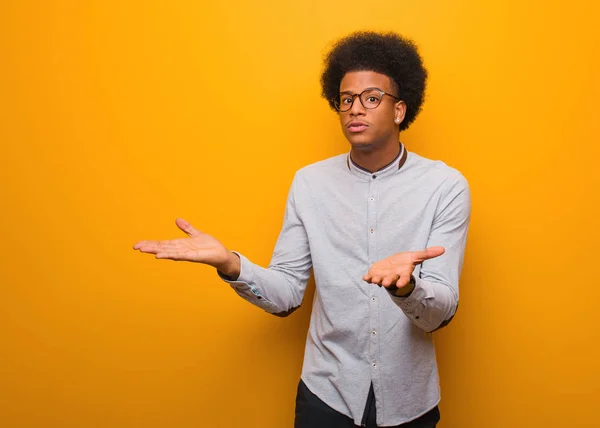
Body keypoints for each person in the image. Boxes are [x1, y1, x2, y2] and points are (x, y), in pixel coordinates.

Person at [133, 31, 471, 428]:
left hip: (409, 401)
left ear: (399, 110)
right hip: (326, 397)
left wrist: (406, 287)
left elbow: (440, 311)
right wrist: (231, 265)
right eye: (346, 100)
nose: (354, 109)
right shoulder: (309, 184)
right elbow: (287, 294)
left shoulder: (445, 187)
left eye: (371, 98)